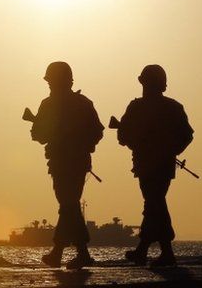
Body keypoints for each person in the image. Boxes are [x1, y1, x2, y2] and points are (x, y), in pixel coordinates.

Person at [116, 65, 193, 267]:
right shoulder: (172, 107)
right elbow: (186, 135)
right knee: (153, 204)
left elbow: (122, 137)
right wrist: (169, 149)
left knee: (155, 203)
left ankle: (165, 252)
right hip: (155, 164)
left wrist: (166, 149)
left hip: (151, 164)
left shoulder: (138, 107)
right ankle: (144, 250)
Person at [30, 62, 104, 270]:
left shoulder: (50, 104)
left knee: (68, 204)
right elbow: (39, 134)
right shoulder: (81, 103)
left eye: (51, 81)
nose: (50, 85)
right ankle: (63, 252)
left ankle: (74, 252)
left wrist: (75, 139)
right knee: (68, 205)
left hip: (66, 162)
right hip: (70, 162)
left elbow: (37, 135)